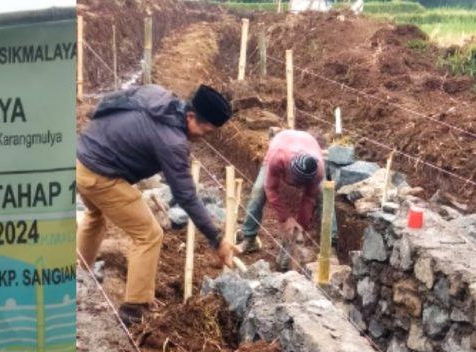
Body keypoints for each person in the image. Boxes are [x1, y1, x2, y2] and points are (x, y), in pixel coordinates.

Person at [77, 84, 237, 326]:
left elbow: (113, 100)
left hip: (81, 157)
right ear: (191, 115)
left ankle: (77, 275)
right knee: (148, 234)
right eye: (206, 130)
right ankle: (134, 308)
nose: (205, 137)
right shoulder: (172, 141)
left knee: (95, 213)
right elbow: (186, 195)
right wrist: (217, 239)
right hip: (100, 175)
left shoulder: (159, 96)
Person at [236, 129, 337, 254]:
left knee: (325, 195)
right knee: (259, 190)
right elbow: (271, 189)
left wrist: (300, 228)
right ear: (287, 170)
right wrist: (285, 218)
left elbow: (309, 198)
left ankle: (331, 245)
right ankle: (249, 238)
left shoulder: (317, 170)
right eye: (296, 182)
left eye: (302, 184)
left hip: (308, 143)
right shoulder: (278, 158)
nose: (298, 187)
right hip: (282, 141)